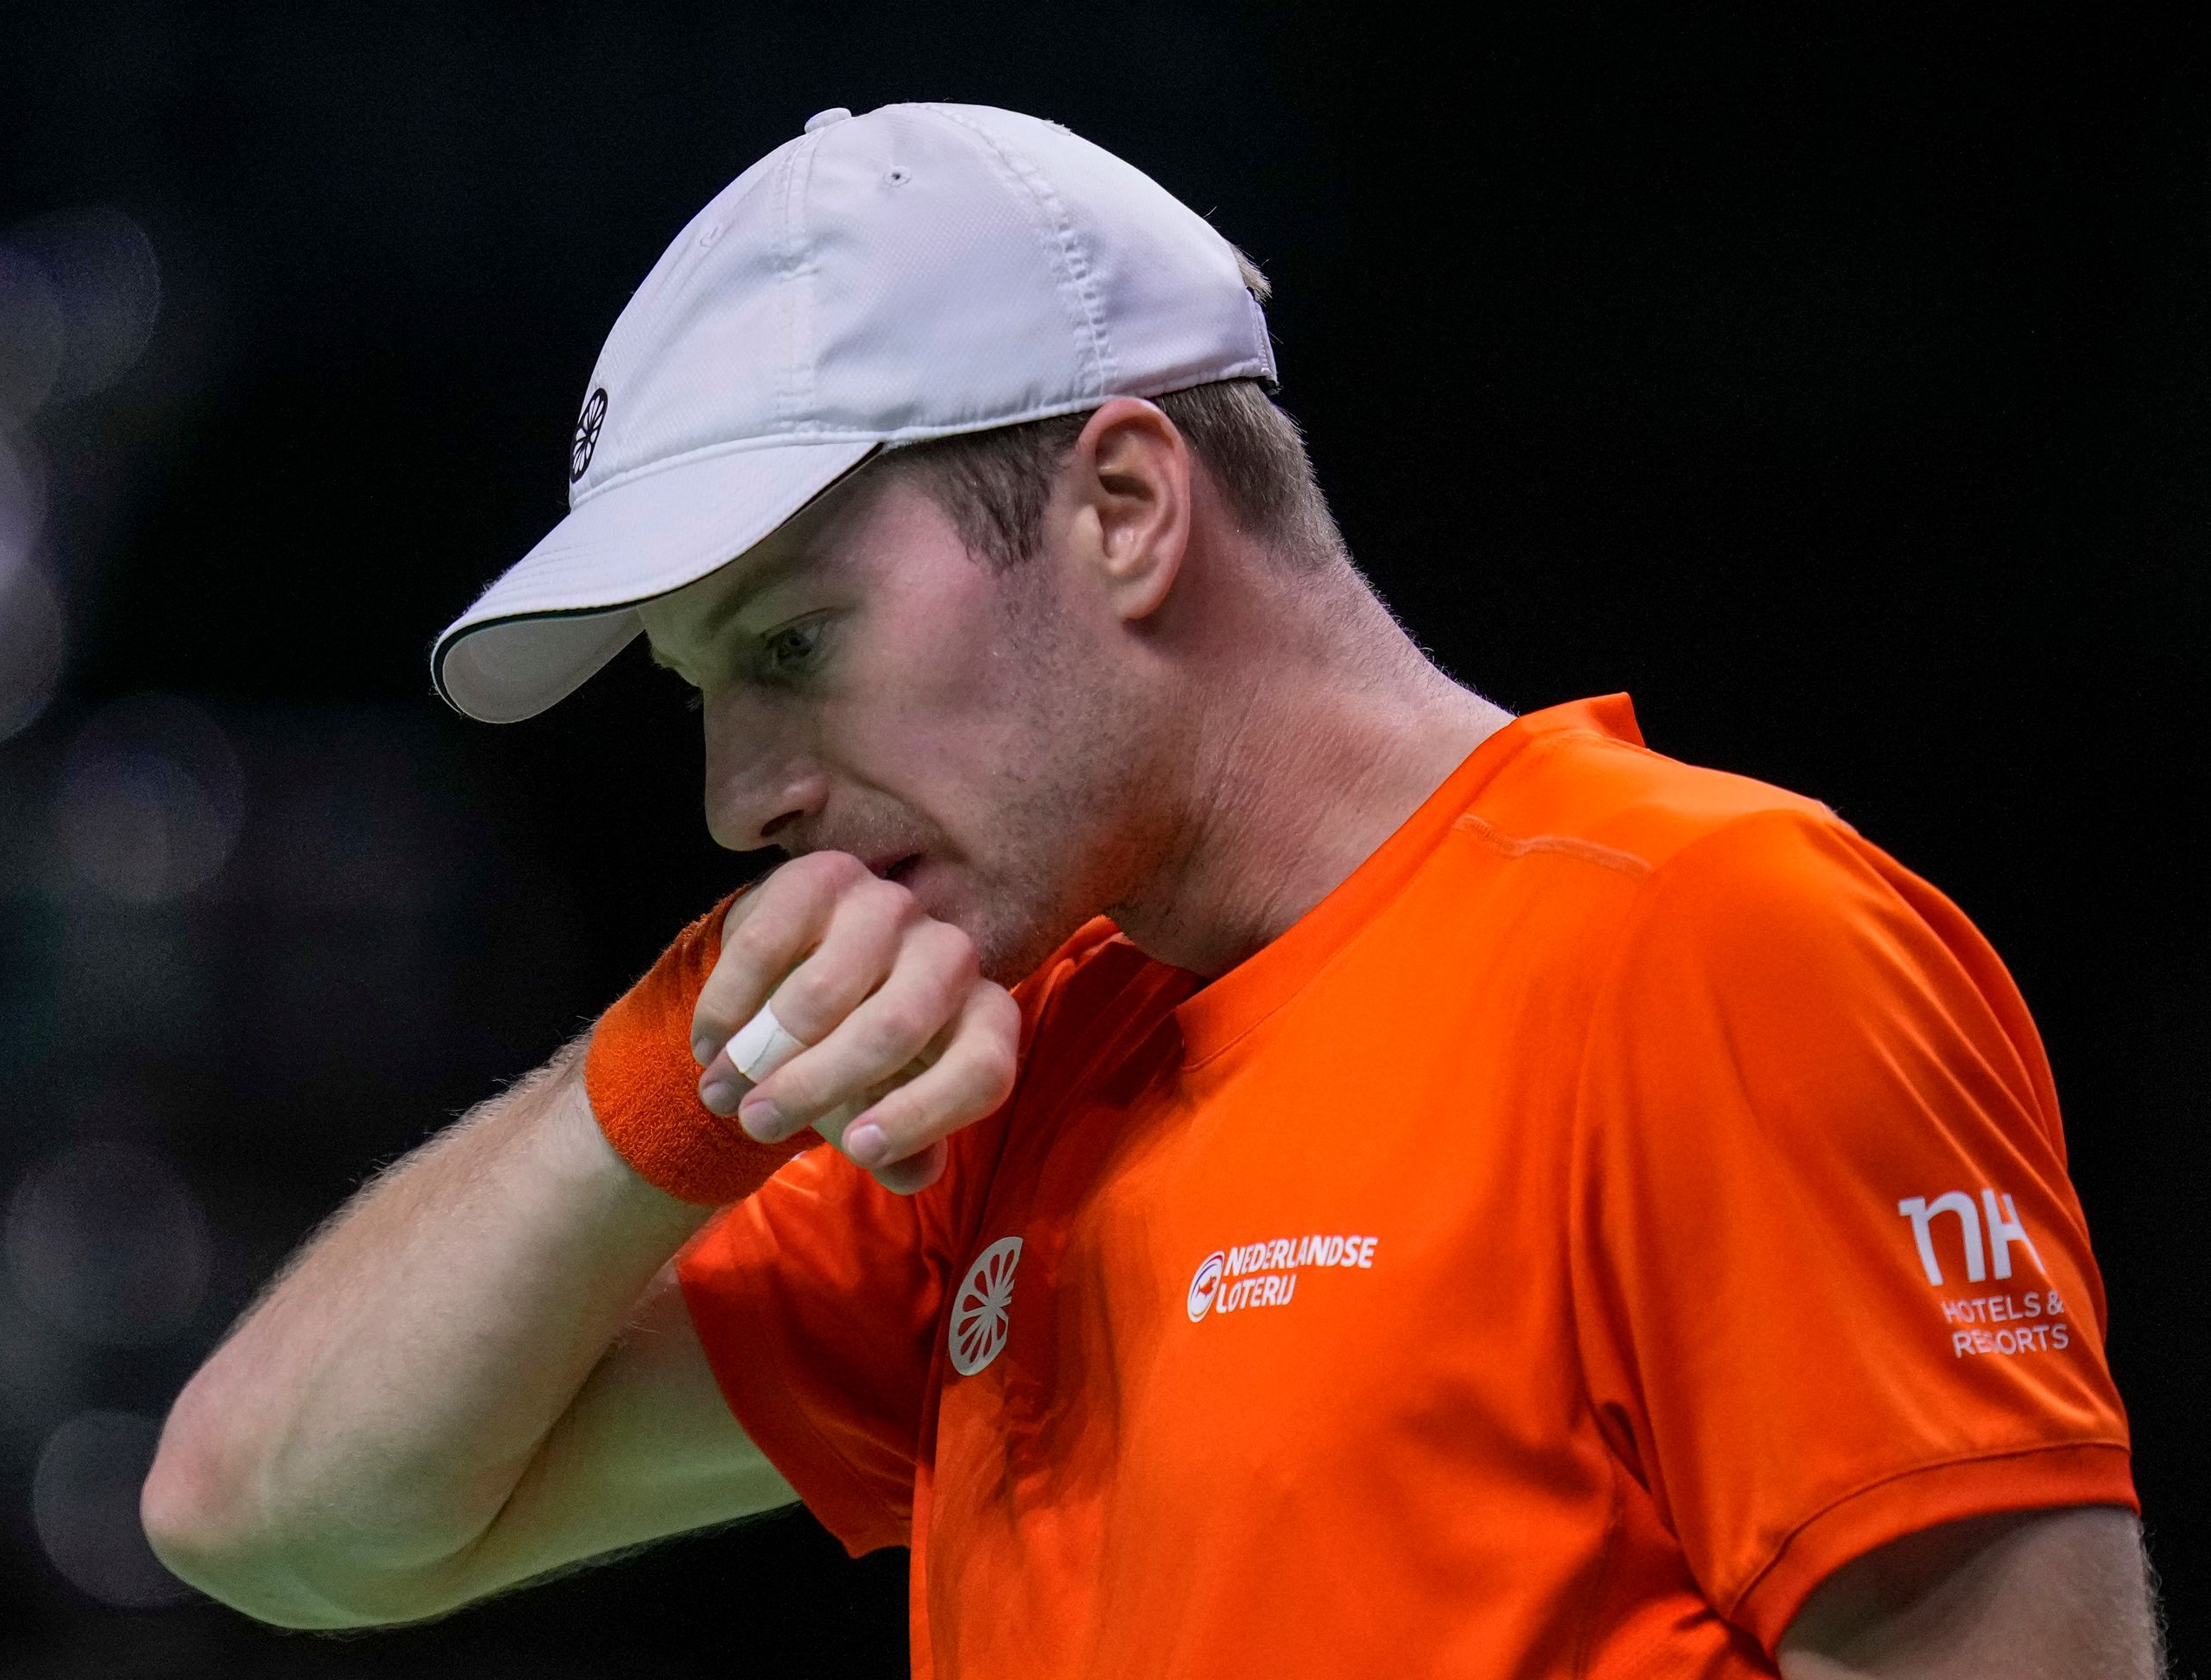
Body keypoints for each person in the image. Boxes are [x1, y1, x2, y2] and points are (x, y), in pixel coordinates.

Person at [142, 104, 2158, 1675]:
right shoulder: (1012, 1090)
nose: (738, 796)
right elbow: (270, 1510)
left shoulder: (1706, 942)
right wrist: (684, 1070)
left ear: (1123, 505)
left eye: (788, 644)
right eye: (697, 687)